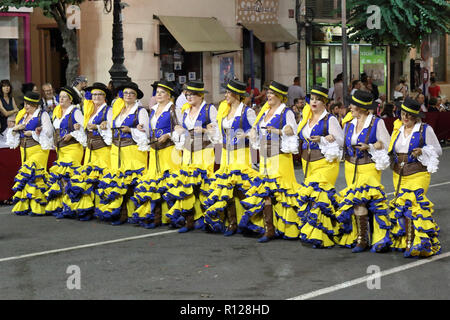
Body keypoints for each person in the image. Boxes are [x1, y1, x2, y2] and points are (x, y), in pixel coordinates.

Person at [240, 80, 300, 242]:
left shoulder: (285, 112)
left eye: (272, 94)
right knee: (266, 190)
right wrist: (248, 135)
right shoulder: (264, 112)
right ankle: (269, 229)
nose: (269, 96)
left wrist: (279, 131)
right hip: (265, 155)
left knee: (281, 191)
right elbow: (258, 132)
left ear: (280, 96)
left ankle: (287, 228)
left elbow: (292, 130)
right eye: (268, 94)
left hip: (280, 156)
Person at [335, 90, 392, 253]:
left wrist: (372, 146)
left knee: (363, 200)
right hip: (350, 167)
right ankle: (363, 235)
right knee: (356, 201)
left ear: (361, 107)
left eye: (353, 105)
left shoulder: (376, 122)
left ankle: (363, 239)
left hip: (368, 167)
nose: (350, 107)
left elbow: (387, 144)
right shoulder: (349, 123)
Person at [202, 79, 258, 236]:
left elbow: (256, 132)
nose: (226, 95)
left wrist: (247, 134)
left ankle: (248, 221)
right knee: (227, 187)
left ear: (237, 95)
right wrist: (210, 130)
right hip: (227, 152)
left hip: (241, 153)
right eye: (226, 92)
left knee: (242, 187)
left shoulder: (247, 111)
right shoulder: (224, 111)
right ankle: (232, 222)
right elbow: (219, 135)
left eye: (228, 92)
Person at [388, 97, 442, 257]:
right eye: (403, 113)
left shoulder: (425, 129)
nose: (405, 117)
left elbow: (438, 150)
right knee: (403, 207)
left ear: (416, 116)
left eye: (409, 115)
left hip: (418, 172)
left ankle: (414, 243)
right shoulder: (397, 129)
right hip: (399, 173)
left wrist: (423, 151)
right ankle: (407, 240)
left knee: (414, 205)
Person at [164, 81, 219, 233]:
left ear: (200, 95)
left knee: (204, 183)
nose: (189, 97)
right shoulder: (186, 110)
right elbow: (181, 128)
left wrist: (205, 129)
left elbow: (216, 129)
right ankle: (190, 219)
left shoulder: (209, 109)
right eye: (187, 94)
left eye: (192, 94)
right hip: (188, 149)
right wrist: (179, 128)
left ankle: (208, 218)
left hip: (204, 149)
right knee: (187, 183)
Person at [296, 86, 344, 248]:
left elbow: (341, 140)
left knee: (320, 196)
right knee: (312, 197)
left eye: (318, 99)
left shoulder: (329, 119)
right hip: (308, 162)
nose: (314, 102)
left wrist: (326, 138)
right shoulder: (306, 117)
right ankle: (313, 232)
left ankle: (322, 236)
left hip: (326, 163)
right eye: (312, 99)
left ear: (324, 102)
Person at [95, 82, 149, 225]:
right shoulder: (117, 109)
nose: (128, 96)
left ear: (136, 96)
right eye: (125, 93)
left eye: (131, 93)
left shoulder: (140, 111)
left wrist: (131, 130)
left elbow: (146, 132)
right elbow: (109, 127)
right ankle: (120, 212)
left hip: (132, 149)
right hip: (116, 149)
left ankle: (133, 213)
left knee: (131, 181)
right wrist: (103, 125)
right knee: (117, 180)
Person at [130, 80, 182, 228]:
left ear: (169, 95)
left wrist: (168, 135)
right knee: (154, 182)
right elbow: (149, 130)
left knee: (170, 181)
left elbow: (180, 129)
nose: (158, 95)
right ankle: (156, 216)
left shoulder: (173, 109)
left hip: (169, 150)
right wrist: (140, 128)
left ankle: (172, 216)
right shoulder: (152, 109)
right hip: (155, 150)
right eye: (157, 92)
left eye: (162, 92)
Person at [65, 82, 113, 221]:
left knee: (102, 179)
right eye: (94, 95)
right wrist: (79, 127)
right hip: (90, 150)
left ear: (104, 97)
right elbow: (86, 132)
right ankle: (89, 208)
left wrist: (100, 126)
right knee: (88, 178)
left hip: (103, 149)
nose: (96, 97)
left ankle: (102, 208)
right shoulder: (90, 111)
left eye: (99, 94)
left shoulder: (107, 110)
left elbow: (111, 128)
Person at [6, 91, 53, 216]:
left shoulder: (42, 115)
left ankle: (39, 206)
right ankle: (28, 205)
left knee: (35, 174)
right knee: (27, 177)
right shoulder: (22, 116)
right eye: (25, 104)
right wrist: (16, 129)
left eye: (29, 104)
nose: (26, 106)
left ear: (35, 104)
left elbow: (48, 132)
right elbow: (14, 133)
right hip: (24, 150)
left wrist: (33, 133)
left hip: (38, 149)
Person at [45, 86, 87, 218]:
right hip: (60, 148)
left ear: (70, 99)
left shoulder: (75, 112)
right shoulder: (57, 112)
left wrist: (73, 133)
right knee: (62, 177)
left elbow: (84, 129)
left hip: (73, 148)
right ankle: (66, 205)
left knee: (69, 175)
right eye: (60, 97)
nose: (61, 99)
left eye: (64, 97)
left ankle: (73, 206)